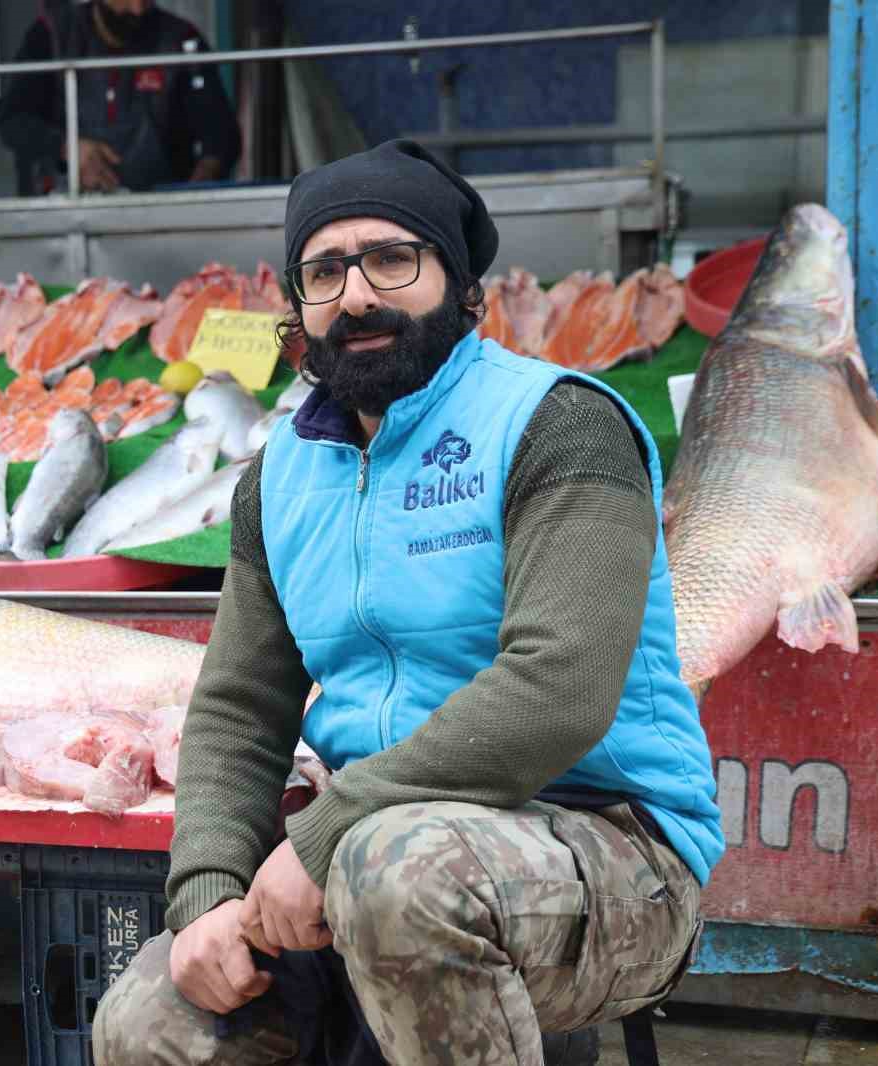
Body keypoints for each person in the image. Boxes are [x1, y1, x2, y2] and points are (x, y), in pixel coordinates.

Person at [92, 140, 724, 1066]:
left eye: (393, 259)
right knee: (148, 1017)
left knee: (400, 877)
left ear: (462, 288)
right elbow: (238, 708)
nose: (356, 295)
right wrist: (209, 895)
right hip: (371, 856)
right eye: (326, 270)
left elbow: (558, 688)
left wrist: (325, 835)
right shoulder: (278, 479)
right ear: (300, 303)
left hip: (612, 849)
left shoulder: (559, 425)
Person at [0, 0, 241, 195]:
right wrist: (68, 147)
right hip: (66, 209)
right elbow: (14, 121)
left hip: (160, 210)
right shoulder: (51, 34)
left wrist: (195, 192)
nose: (137, 8)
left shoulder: (182, 40)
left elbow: (222, 137)